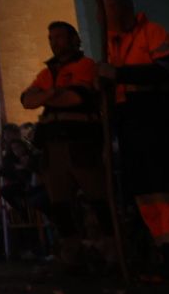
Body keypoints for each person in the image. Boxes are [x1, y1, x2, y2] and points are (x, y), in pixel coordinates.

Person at [101, 0, 169, 262]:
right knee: (141, 188)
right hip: (128, 118)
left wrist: (118, 74)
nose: (101, 17)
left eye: (105, 10)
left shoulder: (153, 32)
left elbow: (164, 69)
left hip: (152, 115)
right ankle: (160, 246)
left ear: (120, 9)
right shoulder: (111, 42)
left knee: (162, 183)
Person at [20, 20, 109, 256]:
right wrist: (53, 94)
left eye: (59, 37)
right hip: (52, 145)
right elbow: (26, 100)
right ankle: (73, 251)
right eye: (51, 38)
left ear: (73, 39)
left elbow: (76, 98)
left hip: (81, 141)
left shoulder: (85, 66)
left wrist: (44, 96)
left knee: (98, 197)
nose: (54, 42)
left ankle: (112, 249)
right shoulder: (46, 72)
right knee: (59, 202)